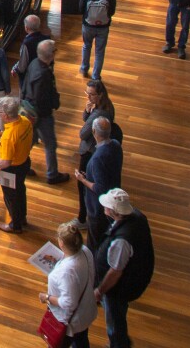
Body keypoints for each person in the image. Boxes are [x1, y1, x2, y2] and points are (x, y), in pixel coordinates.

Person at [94, 188, 155, 348]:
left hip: (119, 289)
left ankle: (118, 343)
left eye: (106, 205)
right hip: (134, 278)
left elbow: (115, 271)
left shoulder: (122, 241)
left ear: (114, 211)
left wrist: (100, 291)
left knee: (115, 318)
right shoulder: (137, 217)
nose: (104, 207)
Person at [40, 222, 98, 348]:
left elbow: (69, 303)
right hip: (85, 310)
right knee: (81, 340)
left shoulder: (65, 272)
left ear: (61, 243)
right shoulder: (85, 251)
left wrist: (47, 298)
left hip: (70, 321)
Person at [74, 115, 123, 250]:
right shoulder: (116, 145)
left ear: (94, 132)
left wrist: (83, 180)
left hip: (98, 208)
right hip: (114, 198)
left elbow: (100, 188)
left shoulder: (97, 158)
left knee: (94, 243)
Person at [23, 39, 68, 184]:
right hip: (41, 115)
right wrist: (55, 103)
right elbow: (43, 98)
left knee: (29, 141)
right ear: (51, 55)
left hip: (30, 110)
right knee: (50, 144)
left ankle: (21, 165)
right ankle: (52, 175)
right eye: (55, 50)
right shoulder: (44, 74)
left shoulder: (34, 63)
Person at [0, 97, 33, 233]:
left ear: (6, 115)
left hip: (11, 169)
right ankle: (22, 217)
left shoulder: (9, 136)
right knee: (20, 191)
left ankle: (15, 225)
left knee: (11, 197)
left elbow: (5, 161)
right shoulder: (25, 121)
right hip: (24, 162)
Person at [79, 0, 116, 80]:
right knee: (99, 51)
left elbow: (81, 9)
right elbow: (112, 11)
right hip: (103, 27)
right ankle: (96, 76)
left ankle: (84, 68)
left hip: (88, 25)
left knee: (86, 46)